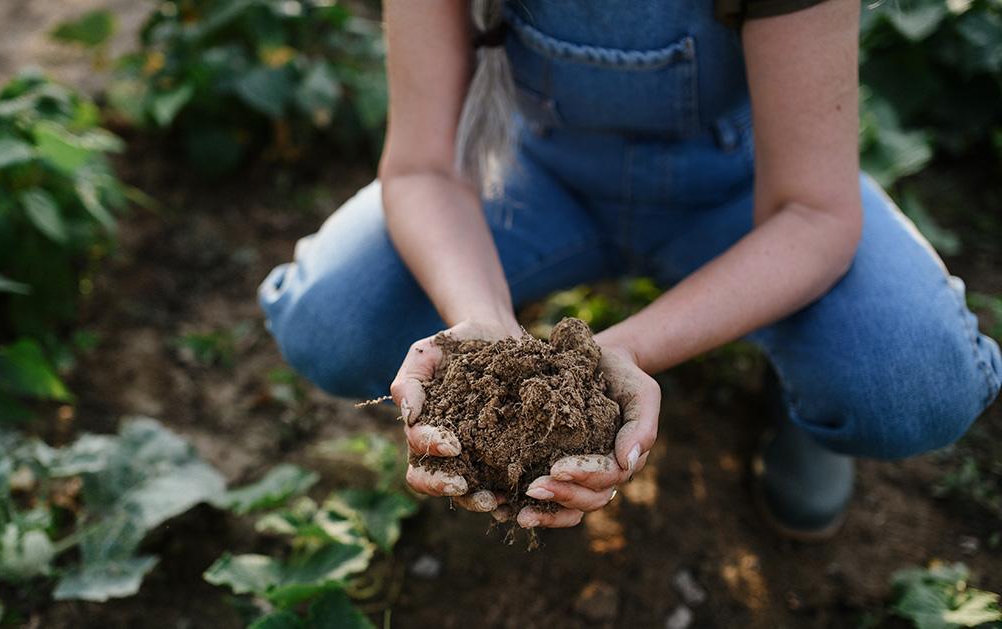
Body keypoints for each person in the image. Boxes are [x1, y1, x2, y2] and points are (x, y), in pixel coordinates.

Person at [257, 0, 1002, 539]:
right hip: (532, 174)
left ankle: (807, 404)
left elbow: (813, 212)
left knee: (911, 382)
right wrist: (482, 331)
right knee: (335, 323)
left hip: (748, 192)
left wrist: (624, 351)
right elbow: (423, 167)